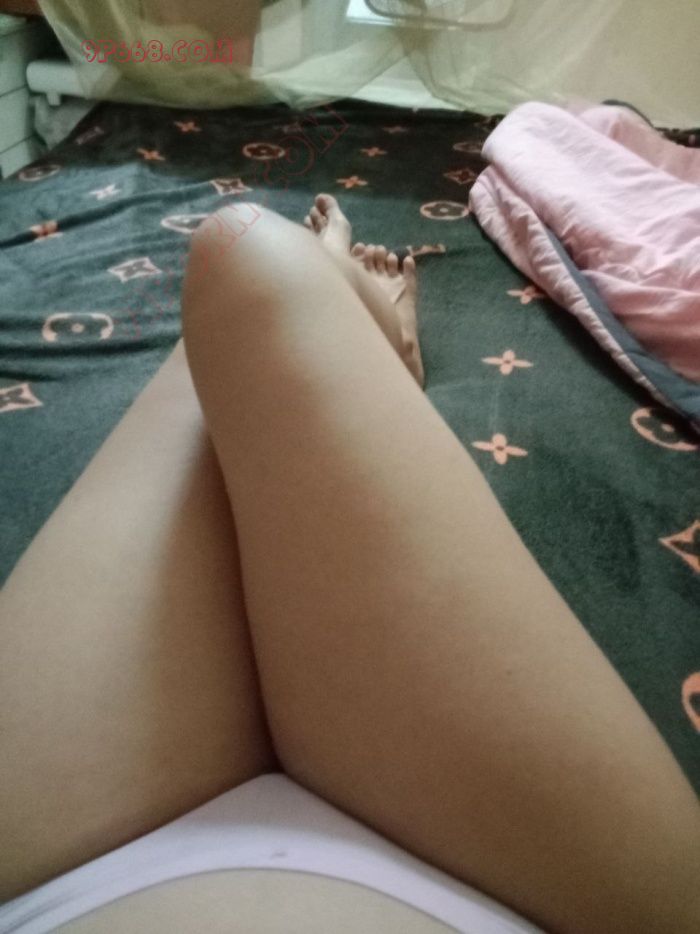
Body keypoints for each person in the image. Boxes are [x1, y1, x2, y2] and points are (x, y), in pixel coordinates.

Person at [1, 195, 698, 934]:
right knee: (251, 263)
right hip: (538, 895)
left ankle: (337, 315)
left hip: (41, 878)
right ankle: (357, 330)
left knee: (239, 260)